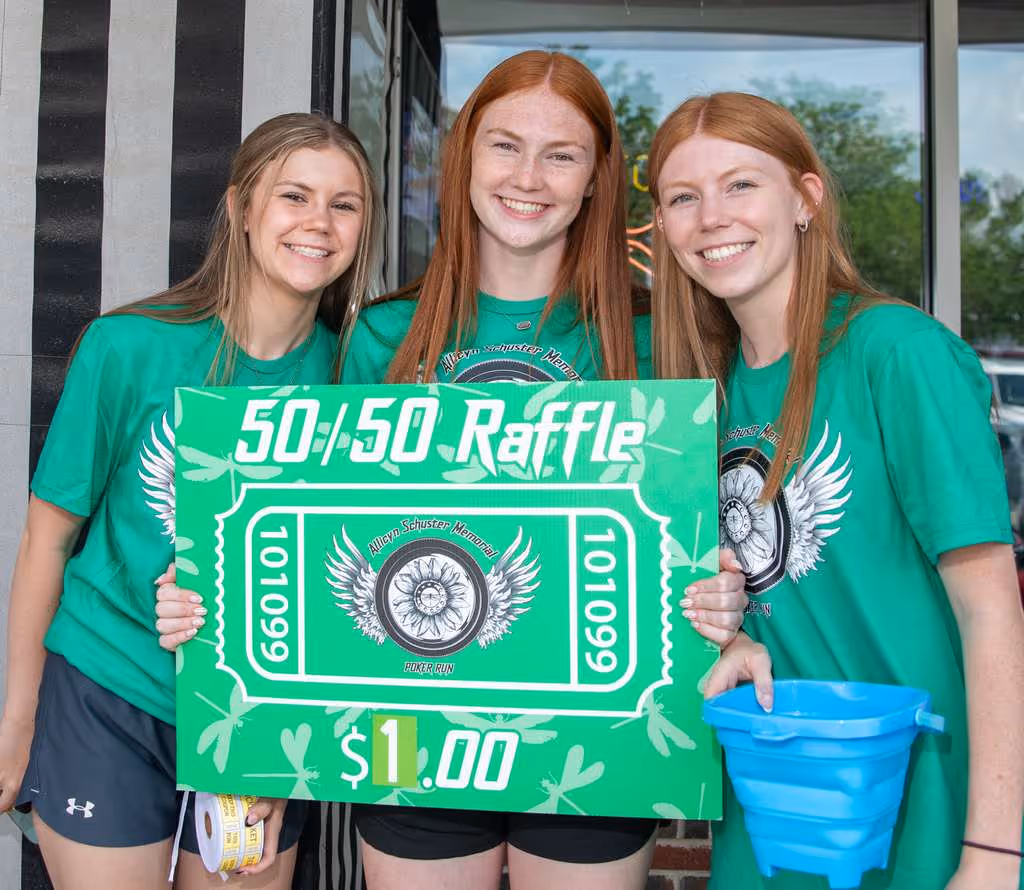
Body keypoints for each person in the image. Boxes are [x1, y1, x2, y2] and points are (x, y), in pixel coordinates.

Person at [158, 51, 747, 890]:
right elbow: (317, 536)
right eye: (505, 145)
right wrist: (213, 600)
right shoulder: (382, 335)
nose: (529, 177)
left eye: (562, 155)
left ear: (596, 179)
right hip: (414, 731)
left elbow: (698, 534)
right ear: (465, 157)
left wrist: (718, 589)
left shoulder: (659, 336)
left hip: (596, 734)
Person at [648, 91, 1024, 889]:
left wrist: (994, 854)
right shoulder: (699, 395)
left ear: (806, 199)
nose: (712, 217)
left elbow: (992, 612)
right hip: (775, 814)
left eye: (741, 184)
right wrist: (727, 633)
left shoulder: (896, 352)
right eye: (683, 197)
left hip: (919, 810)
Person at [0, 112, 382, 889]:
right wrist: (19, 718)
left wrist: (293, 751)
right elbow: (48, 539)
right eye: (294, 196)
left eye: (344, 204)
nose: (318, 222)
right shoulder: (130, 345)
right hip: (110, 688)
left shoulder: (357, 379)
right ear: (241, 208)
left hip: (261, 712)